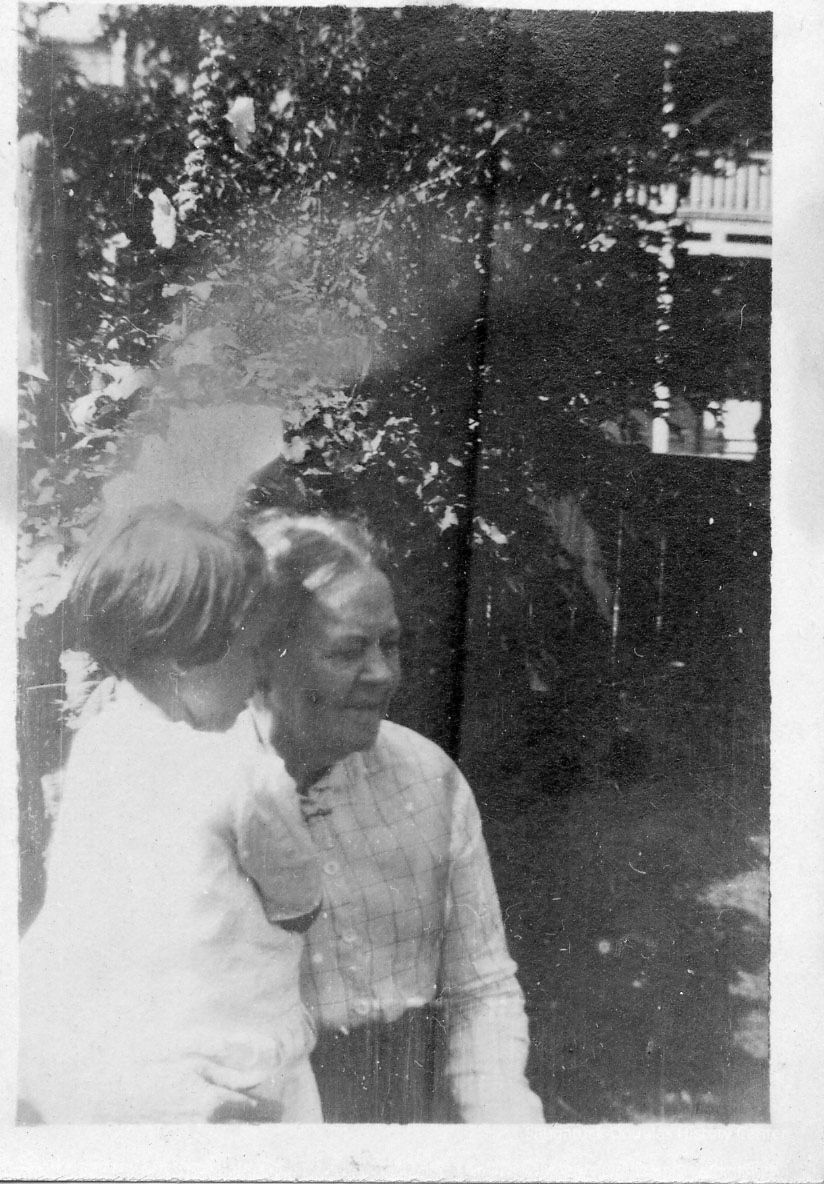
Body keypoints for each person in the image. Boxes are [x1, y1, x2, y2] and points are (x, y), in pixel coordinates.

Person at [18, 503, 323, 1124]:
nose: (262, 671)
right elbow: (299, 900)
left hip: (111, 1049)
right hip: (232, 1061)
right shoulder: (242, 769)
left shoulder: (101, 738)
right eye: (252, 650)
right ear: (185, 659)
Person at [242, 509, 546, 1123]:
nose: (382, 674)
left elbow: (480, 989)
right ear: (266, 658)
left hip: (408, 1113)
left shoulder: (428, 778)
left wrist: (505, 1133)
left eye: (391, 644)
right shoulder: (207, 795)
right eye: (348, 650)